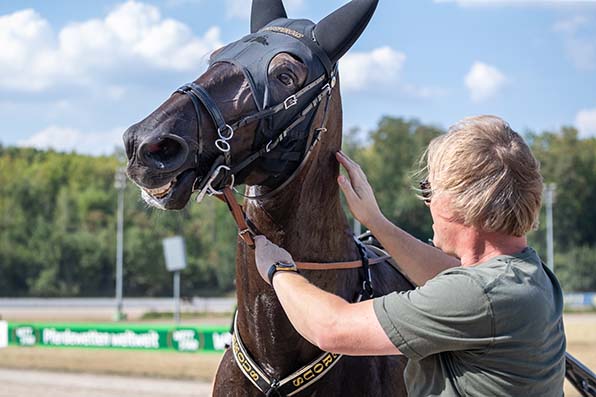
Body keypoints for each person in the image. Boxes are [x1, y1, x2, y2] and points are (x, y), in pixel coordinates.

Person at [254, 115, 566, 396]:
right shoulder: (529, 274)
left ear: (459, 202)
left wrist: (278, 270)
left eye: (430, 188)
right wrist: (377, 222)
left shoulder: (478, 296)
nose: (427, 202)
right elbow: (448, 275)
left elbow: (331, 328)